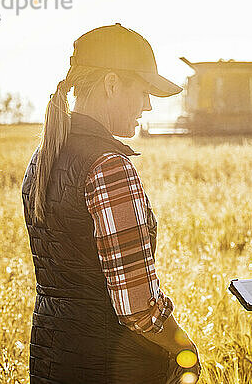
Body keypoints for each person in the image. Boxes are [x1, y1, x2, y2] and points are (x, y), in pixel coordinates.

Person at [21, 23, 200, 384]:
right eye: (143, 91)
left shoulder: (44, 157)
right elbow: (138, 308)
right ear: (112, 84)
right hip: (113, 366)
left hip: (52, 357)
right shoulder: (109, 167)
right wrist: (184, 347)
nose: (148, 106)